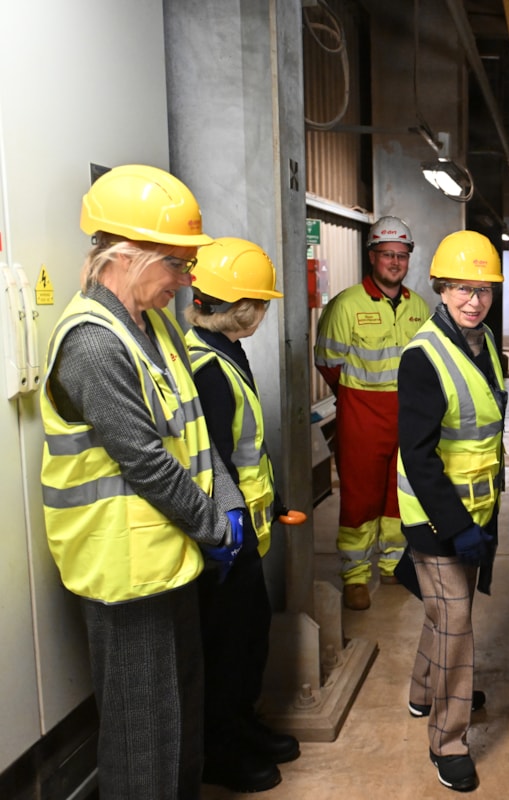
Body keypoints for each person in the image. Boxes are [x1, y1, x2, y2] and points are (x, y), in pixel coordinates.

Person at [39, 164, 246, 799]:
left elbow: (195, 431)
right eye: (177, 266)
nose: (187, 281)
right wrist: (216, 527)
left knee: (179, 718)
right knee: (142, 740)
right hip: (126, 578)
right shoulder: (94, 347)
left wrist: (229, 503)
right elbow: (147, 461)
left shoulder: (154, 325)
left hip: (169, 560)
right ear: (127, 258)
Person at [185, 237, 303, 792]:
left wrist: (272, 502)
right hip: (224, 544)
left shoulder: (226, 351)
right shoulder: (208, 367)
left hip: (247, 535)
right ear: (241, 307)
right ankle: (220, 748)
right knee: (228, 647)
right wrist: (227, 528)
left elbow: (245, 447)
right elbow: (213, 460)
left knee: (249, 639)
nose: (262, 313)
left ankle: (242, 725)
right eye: (260, 303)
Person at [396, 230, 506, 793]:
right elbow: (417, 457)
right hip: (437, 517)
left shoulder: (483, 343)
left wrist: (484, 514)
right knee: (457, 620)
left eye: (483, 289)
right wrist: (458, 527)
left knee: (444, 613)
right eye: (463, 288)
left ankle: (425, 692)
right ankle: (449, 740)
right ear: (440, 288)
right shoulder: (423, 357)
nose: (474, 300)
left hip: (475, 511)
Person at [314, 216, 430, 610]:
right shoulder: (346, 305)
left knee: (400, 496)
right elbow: (328, 362)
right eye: (387, 255)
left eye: (401, 255)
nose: (395, 262)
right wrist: (356, 399)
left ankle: (393, 563)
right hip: (362, 414)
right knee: (360, 498)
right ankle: (355, 576)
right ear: (372, 257)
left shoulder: (420, 308)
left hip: (408, 416)